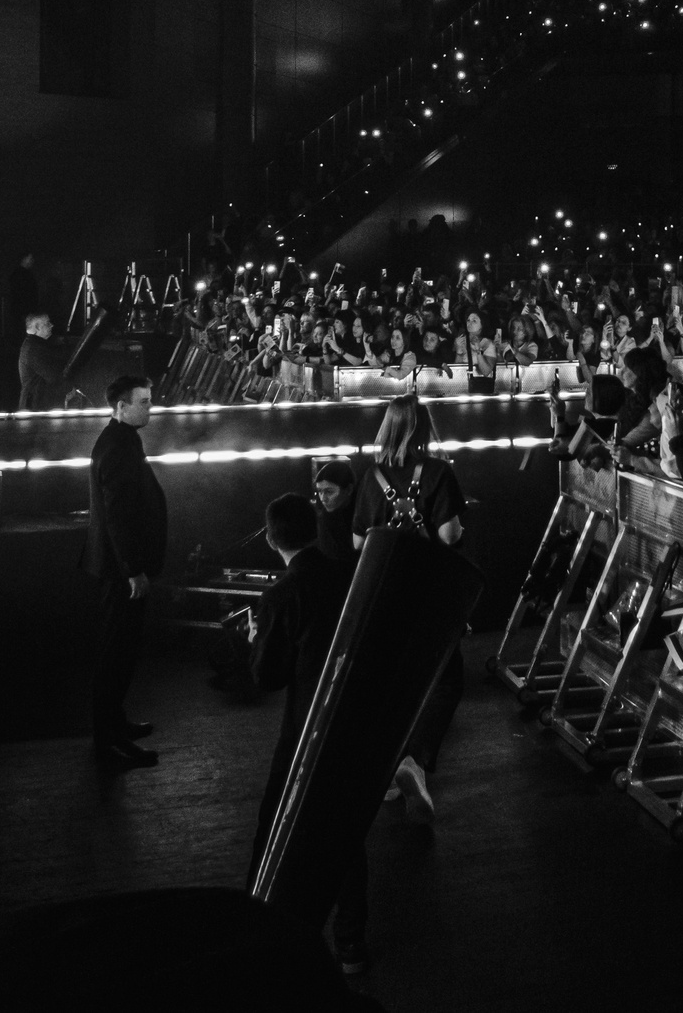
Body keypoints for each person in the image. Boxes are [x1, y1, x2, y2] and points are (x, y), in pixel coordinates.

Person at [248, 492, 368, 973]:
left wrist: (257, 641)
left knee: (275, 828)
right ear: (315, 529)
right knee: (345, 835)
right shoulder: (349, 577)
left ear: (272, 538)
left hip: (302, 731)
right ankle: (351, 943)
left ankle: (266, 929)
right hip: (350, 722)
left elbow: (267, 677)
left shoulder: (280, 596)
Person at [352, 395, 465, 824]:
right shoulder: (438, 473)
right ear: (423, 430)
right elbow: (450, 536)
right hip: (430, 593)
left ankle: (383, 767)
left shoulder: (371, 476)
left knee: (388, 683)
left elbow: (360, 543)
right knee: (444, 682)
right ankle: (414, 761)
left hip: (384, 595)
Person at [85, 375, 167, 769]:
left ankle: (114, 726)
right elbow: (118, 517)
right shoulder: (119, 448)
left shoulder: (119, 439)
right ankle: (108, 743)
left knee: (118, 653)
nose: (150, 408)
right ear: (121, 406)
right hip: (122, 573)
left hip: (116, 568)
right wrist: (134, 570)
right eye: (144, 402)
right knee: (114, 656)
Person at [17, 313, 63, 411]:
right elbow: (54, 377)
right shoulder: (35, 349)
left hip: (35, 406)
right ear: (37, 327)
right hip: (36, 408)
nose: (51, 325)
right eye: (47, 323)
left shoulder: (32, 345)